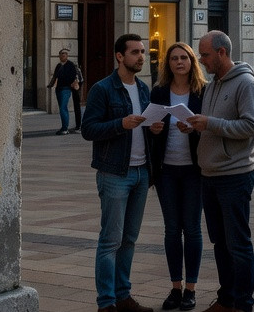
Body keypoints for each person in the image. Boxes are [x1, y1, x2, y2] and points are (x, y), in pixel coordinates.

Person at [81, 34, 159, 312]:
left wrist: (154, 128)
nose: (141, 57)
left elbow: (146, 125)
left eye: (142, 52)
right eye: (135, 52)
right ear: (119, 56)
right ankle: (106, 303)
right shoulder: (103, 89)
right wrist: (120, 124)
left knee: (129, 239)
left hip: (141, 173)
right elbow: (88, 130)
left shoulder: (144, 89)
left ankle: (123, 296)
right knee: (110, 240)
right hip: (115, 173)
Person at [185, 31, 254, 312]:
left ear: (221, 53)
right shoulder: (212, 85)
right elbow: (212, 124)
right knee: (220, 243)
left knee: (238, 244)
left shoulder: (246, 84)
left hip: (234, 175)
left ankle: (243, 304)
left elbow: (251, 127)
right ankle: (226, 299)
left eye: (204, 55)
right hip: (210, 174)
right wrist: (194, 125)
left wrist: (211, 123)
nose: (201, 60)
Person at [150, 42, 206, 312]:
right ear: (168, 63)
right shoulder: (160, 91)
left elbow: (210, 126)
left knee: (192, 228)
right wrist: (155, 130)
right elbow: (149, 126)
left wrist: (193, 129)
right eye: (174, 58)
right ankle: (175, 287)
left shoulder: (202, 91)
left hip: (194, 170)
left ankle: (191, 289)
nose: (179, 62)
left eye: (184, 58)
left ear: (192, 62)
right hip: (167, 171)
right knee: (172, 229)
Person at [48, 48, 82, 135]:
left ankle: (65, 128)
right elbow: (55, 76)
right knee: (61, 108)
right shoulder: (58, 66)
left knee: (63, 107)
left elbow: (75, 76)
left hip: (66, 89)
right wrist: (50, 85)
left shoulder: (71, 65)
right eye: (62, 53)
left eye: (65, 54)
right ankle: (64, 127)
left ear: (67, 56)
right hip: (59, 89)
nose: (63, 55)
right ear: (59, 56)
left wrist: (74, 85)